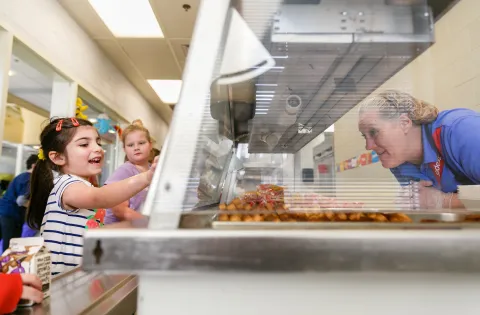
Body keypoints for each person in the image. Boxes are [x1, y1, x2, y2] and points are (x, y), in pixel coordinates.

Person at [26, 117, 158, 275]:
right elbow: (99, 197)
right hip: (62, 281)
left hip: (80, 275)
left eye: (98, 143)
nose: (98, 149)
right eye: (84, 144)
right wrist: (147, 177)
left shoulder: (84, 185)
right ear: (58, 157)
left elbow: (93, 229)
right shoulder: (66, 185)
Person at [358, 90, 480, 210]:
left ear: (404, 123)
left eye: (374, 132)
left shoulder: (461, 130)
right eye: (365, 136)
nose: (368, 146)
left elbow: (434, 203)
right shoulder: (399, 163)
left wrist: (444, 201)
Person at [104, 120, 153, 224]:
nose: (136, 148)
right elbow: (120, 211)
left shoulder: (153, 171)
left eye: (141, 143)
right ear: (125, 149)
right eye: (130, 145)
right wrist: (151, 225)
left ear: (150, 145)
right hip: (119, 233)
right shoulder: (125, 171)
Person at [0, 154, 38, 252]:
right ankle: (5, 266)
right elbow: (21, 201)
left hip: (7, 212)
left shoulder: (22, 176)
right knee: (10, 245)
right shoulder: (28, 179)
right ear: (34, 166)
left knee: (9, 243)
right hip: (10, 215)